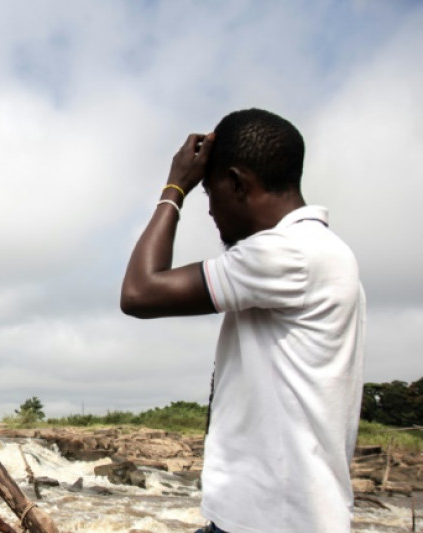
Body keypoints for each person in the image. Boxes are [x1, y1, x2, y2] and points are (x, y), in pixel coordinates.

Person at [120, 108, 365, 532]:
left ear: (236, 183)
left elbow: (140, 292)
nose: (211, 211)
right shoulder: (318, 251)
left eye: (209, 192)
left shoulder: (287, 254)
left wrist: (174, 187)